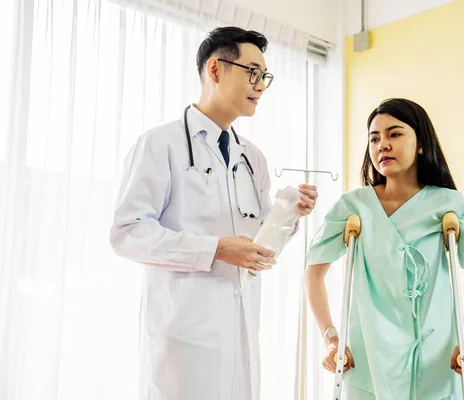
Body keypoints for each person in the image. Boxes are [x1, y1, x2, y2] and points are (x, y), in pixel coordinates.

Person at [110, 26, 318, 400]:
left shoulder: (252, 157)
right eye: (252, 72)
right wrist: (215, 249)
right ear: (216, 69)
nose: (260, 86)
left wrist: (289, 215)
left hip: (241, 327)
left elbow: (257, 248)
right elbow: (128, 233)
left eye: (264, 77)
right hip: (184, 332)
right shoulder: (161, 145)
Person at [303, 98, 464, 400]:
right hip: (367, 357)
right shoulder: (354, 206)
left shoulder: (450, 205)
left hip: (435, 358)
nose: (382, 145)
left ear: (420, 143)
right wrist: (331, 338)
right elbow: (313, 274)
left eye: (394, 134)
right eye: (374, 138)